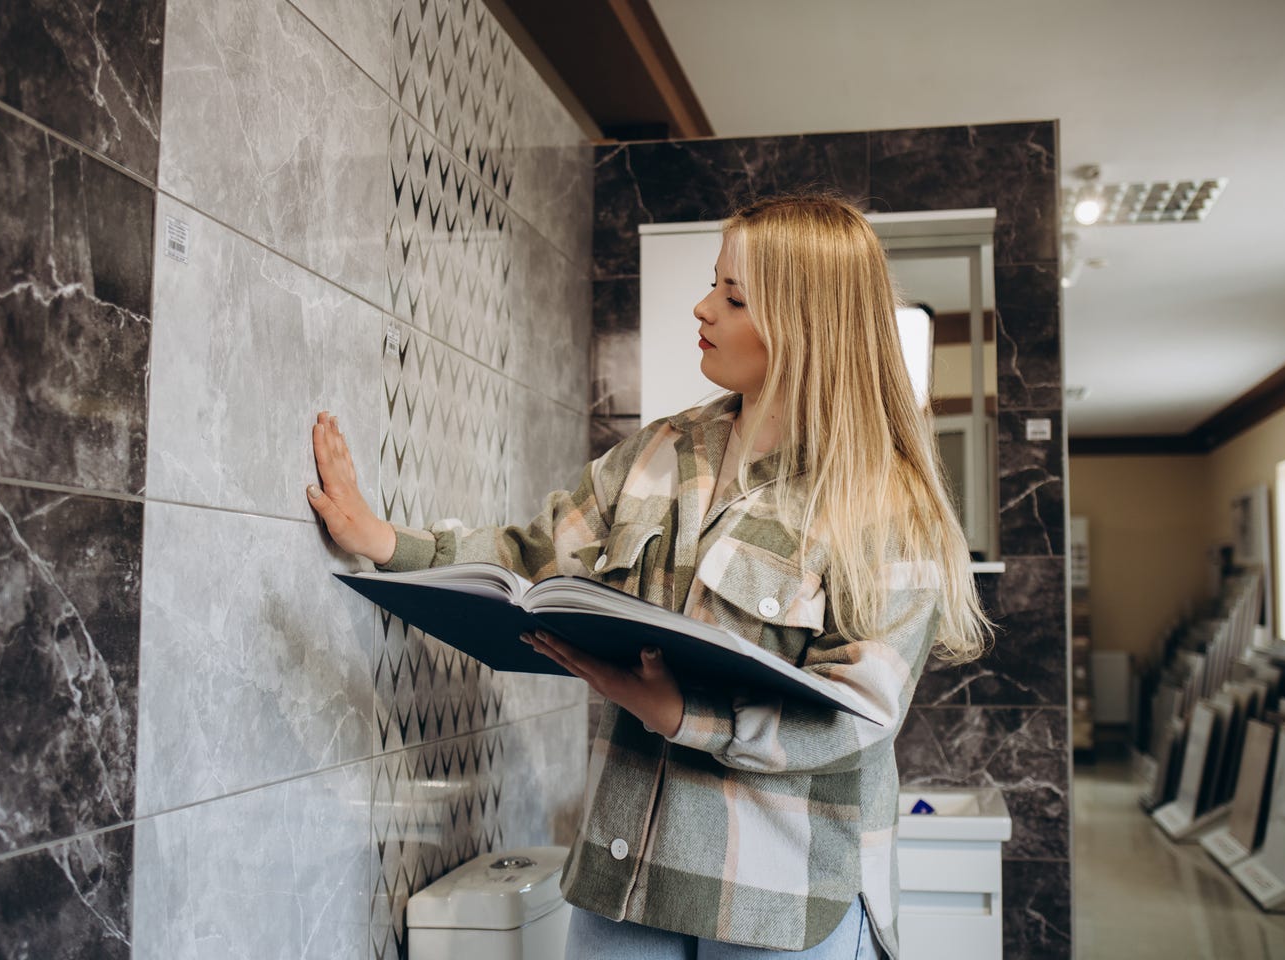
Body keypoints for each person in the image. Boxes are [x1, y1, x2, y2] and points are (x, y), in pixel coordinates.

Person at [306, 193, 990, 959]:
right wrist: (382, 540)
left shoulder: (885, 502)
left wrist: (685, 714)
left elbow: (861, 709)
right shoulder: (662, 449)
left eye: (734, 298)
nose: (704, 308)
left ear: (806, 326)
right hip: (625, 881)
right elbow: (530, 557)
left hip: (784, 905)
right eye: (712, 285)